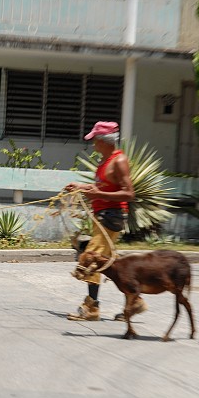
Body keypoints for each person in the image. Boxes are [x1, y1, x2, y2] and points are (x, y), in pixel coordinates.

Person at [64, 121, 146, 321]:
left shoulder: (119, 161)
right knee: (110, 266)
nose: (93, 145)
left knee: (92, 258)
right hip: (102, 215)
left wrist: (98, 194)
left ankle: (92, 308)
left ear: (104, 141)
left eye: (95, 141)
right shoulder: (105, 161)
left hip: (112, 215)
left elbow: (129, 193)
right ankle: (134, 301)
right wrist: (82, 187)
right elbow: (103, 187)